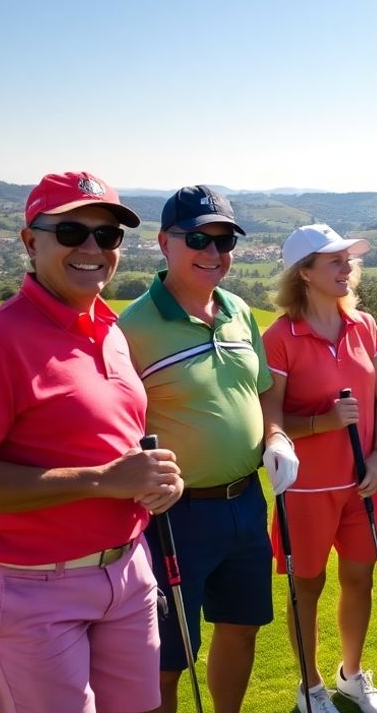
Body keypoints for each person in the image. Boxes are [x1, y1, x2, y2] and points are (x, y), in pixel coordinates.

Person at [0, 171, 184, 713]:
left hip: (127, 570)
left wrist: (155, 480)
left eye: (107, 236)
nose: (91, 248)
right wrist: (104, 481)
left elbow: (110, 442)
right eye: (71, 232)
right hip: (30, 586)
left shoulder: (110, 330)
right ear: (31, 241)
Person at [118, 185, 296, 713]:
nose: (213, 252)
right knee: (168, 660)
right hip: (176, 516)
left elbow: (263, 390)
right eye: (198, 238)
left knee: (241, 631)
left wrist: (277, 435)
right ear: (164, 243)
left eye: (223, 240)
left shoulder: (238, 310)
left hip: (245, 502)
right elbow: (114, 423)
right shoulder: (131, 328)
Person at [260, 223, 377, 713]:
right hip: (306, 489)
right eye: (334, 260)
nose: (347, 267)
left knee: (360, 579)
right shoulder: (280, 337)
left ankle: (351, 675)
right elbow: (269, 417)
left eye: (348, 260)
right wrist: (320, 422)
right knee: (307, 588)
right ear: (305, 272)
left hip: (363, 483)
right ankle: (310, 686)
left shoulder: (365, 325)